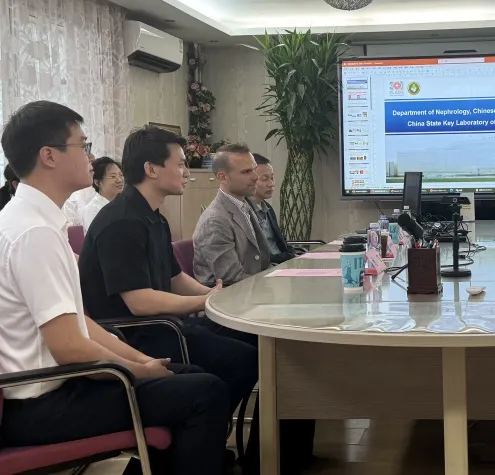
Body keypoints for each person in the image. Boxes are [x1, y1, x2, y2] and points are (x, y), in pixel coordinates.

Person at [0, 102, 229, 475]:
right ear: (49, 156)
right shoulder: (34, 233)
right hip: (40, 403)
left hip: (53, 389)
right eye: (83, 145)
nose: (91, 157)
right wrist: (137, 371)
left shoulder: (31, 221)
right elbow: (69, 347)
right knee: (205, 392)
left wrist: (140, 362)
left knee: (186, 375)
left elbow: (79, 323)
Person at [77, 125, 315, 474]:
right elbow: (140, 302)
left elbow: (175, 280)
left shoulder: (152, 216)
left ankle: (213, 443)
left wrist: (214, 295)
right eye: (180, 164)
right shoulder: (121, 222)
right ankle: (198, 440)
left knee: (266, 347)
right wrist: (206, 303)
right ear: (151, 169)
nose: (187, 171)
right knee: (242, 361)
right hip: (137, 334)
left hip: (165, 324)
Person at [192, 143, 271, 286]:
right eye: (246, 172)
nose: (255, 177)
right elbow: (232, 279)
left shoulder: (244, 205)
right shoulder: (215, 221)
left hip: (254, 288)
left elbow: (263, 262)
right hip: (230, 296)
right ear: (223, 177)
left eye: (254, 169)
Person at [248, 153, 298, 264]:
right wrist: (288, 257)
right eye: (264, 179)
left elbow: (281, 242)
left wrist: (293, 254)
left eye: (272, 178)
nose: (271, 184)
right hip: (269, 266)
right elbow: (259, 256)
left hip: (283, 263)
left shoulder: (267, 208)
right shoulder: (244, 211)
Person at [81, 156, 125, 232]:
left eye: (121, 175)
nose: (119, 180)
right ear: (97, 182)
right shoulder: (92, 209)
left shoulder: (124, 204)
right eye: (113, 176)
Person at [62, 151, 95, 225]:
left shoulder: (96, 189)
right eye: (89, 162)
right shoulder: (71, 197)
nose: (92, 167)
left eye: (93, 163)